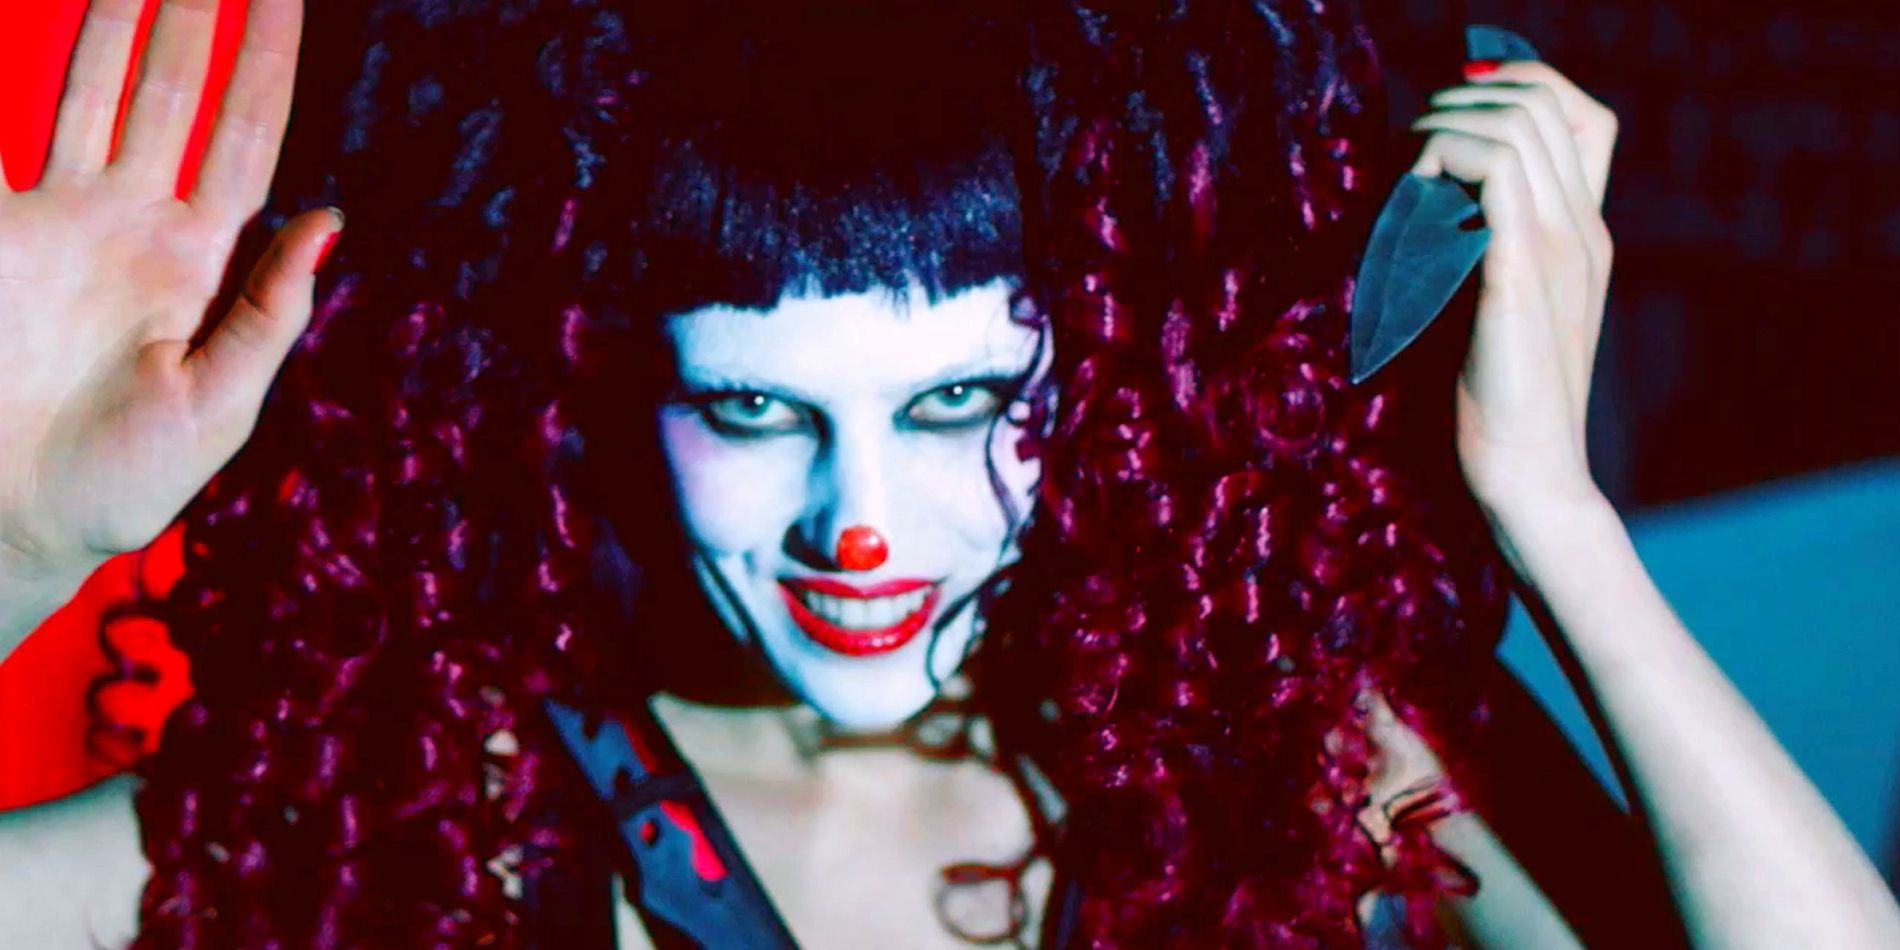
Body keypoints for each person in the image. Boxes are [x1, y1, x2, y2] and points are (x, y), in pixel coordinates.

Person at [2, 0, 1897, 947]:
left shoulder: (1303, 762)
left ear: (1128, 391)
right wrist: (12, 546)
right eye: (756, 411)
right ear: (607, 397)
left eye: (961, 404)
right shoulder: (436, 803)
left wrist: (1551, 513)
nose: (859, 529)